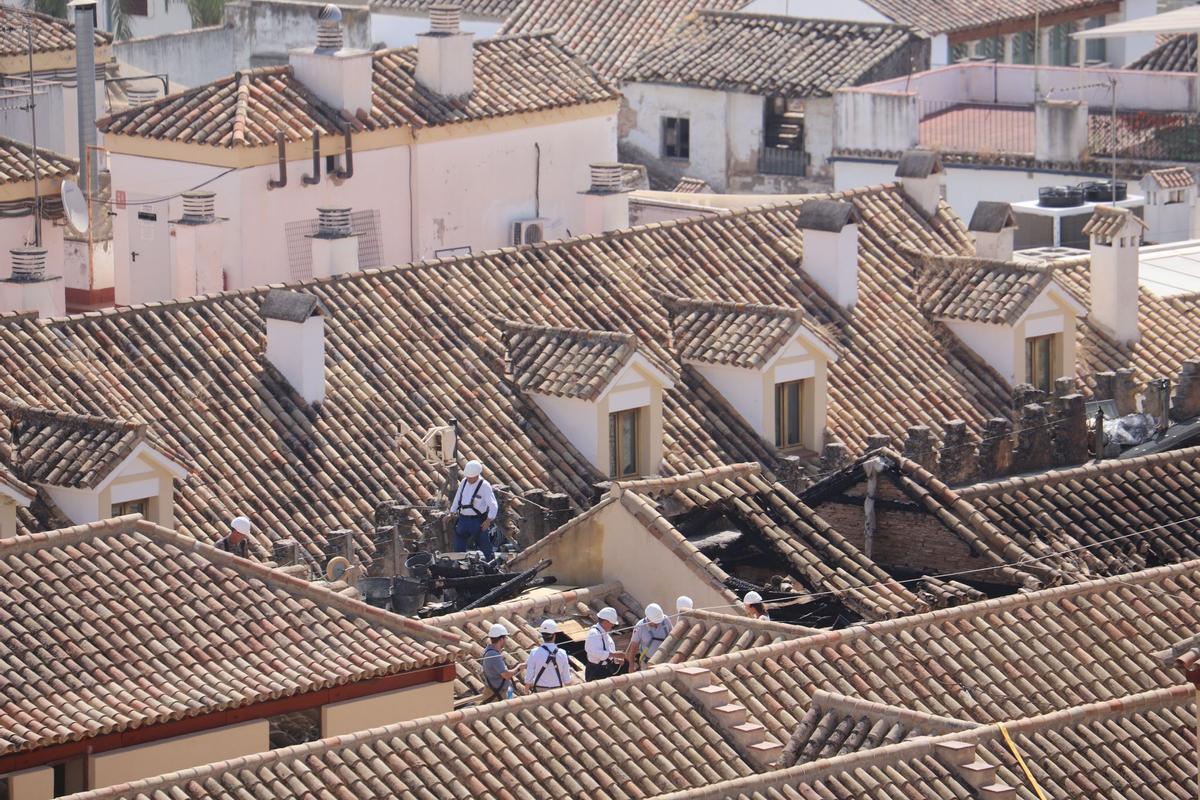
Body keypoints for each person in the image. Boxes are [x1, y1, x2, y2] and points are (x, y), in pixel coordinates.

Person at [450, 459, 499, 560]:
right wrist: (452, 512)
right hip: (463, 520)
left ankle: (492, 566)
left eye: (471, 477)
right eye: (468, 476)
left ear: (477, 475)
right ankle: (459, 566)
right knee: (458, 546)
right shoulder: (464, 482)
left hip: (478, 521)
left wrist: (488, 520)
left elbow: (493, 505)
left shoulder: (484, 485)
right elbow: (457, 498)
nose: (469, 479)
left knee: (485, 546)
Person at [525, 619, 572, 692]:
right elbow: (567, 680)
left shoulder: (534, 652)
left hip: (539, 692)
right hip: (557, 692)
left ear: (542, 636)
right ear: (554, 636)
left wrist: (526, 692)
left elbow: (528, 678)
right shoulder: (562, 653)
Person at [626, 603, 671, 671]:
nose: (657, 623)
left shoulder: (665, 620)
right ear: (648, 619)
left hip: (666, 660)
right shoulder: (640, 627)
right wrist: (631, 666)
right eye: (655, 622)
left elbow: (672, 636)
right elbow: (634, 647)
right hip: (648, 663)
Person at [480, 623, 518, 702]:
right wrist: (518, 668)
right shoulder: (494, 655)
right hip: (497, 695)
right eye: (505, 638)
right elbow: (506, 675)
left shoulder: (488, 651)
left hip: (494, 691)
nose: (506, 640)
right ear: (501, 639)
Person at [584, 607, 624, 681]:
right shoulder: (594, 633)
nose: (612, 626)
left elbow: (608, 652)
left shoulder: (605, 634)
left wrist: (616, 659)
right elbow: (595, 652)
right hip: (595, 671)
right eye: (612, 624)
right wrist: (614, 654)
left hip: (605, 669)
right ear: (606, 622)